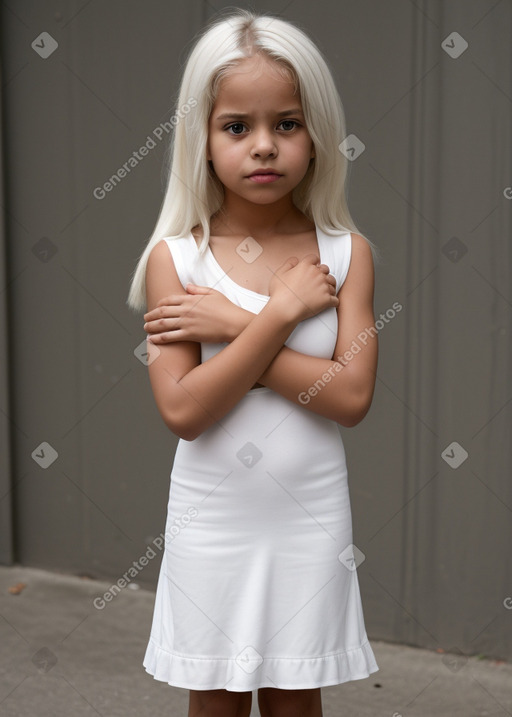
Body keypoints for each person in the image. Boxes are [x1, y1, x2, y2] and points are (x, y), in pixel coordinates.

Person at [127, 8, 380, 717]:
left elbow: (352, 395)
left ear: (316, 134)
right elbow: (184, 409)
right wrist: (277, 317)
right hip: (215, 520)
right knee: (215, 699)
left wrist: (239, 324)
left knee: (297, 697)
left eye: (287, 124)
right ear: (202, 140)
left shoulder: (344, 253)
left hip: (310, 517)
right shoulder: (176, 260)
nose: (263, 146)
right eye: (237, 126)